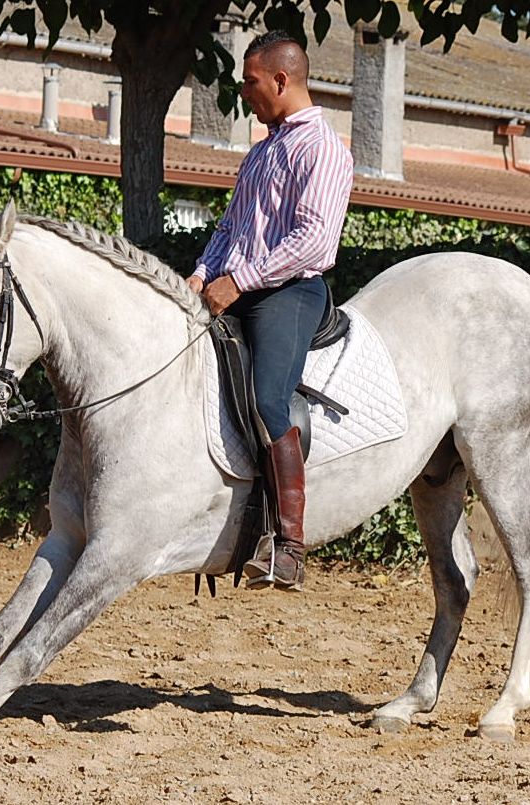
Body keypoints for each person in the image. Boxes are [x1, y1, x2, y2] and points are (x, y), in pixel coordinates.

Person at [187, 30, 354, 591]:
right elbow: (231, 228)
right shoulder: (260, 152)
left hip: (289, 292)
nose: (244, 93)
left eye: (251, 82)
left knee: (266, 399)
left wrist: (240, 281)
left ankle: (289, 546)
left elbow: (313, 242)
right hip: (235, 284)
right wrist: (204, 271)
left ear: (281, 80)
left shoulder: (323, 149)